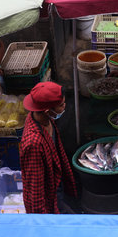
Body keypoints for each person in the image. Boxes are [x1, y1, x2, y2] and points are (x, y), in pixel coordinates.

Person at [20, 82, 77, 214]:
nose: (65, 106)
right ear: (47, 111)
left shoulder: (45, 120)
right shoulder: (33, 144)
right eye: (61, 105)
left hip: (57, 183)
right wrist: (43, 220)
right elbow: (35, 189)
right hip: (49, 200)